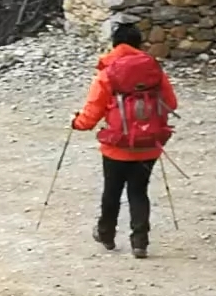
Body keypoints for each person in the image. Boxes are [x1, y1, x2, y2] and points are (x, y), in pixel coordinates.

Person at [71, 22, 178, 259]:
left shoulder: (107, 73)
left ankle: (106, 234)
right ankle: (140, 242)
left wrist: (76, 123)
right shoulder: (154, 69)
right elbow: (171, 103)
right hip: (149, 144)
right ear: (140, 44)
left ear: (115, 44)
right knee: (139, 192)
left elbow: (91, 114)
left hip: (116, 147)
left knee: (112, 191)